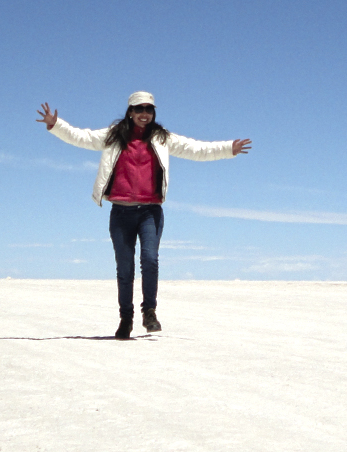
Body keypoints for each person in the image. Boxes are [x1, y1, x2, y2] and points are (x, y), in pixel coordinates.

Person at [36, 91, 251, 339]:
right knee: (125, 268)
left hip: (150, 211)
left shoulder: (162, 138)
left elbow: (195, 149)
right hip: (121, 212)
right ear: (130, 112)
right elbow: (82, 137)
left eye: (149, 109)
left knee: (150, 259)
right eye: (139, 109)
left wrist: (227, 149)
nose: (144, 114)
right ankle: (125, 318)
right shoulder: (113, 136)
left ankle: (149, 312)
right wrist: (56, 125)